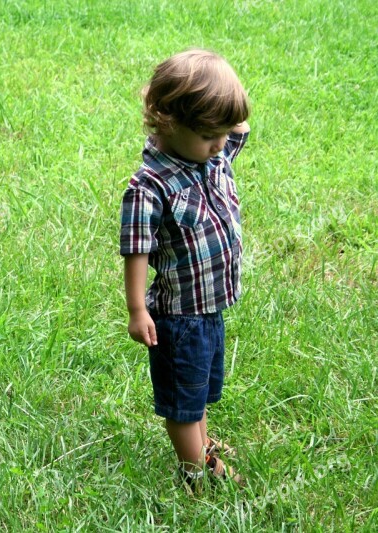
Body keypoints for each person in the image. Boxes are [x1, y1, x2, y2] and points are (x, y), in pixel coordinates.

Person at [119, 49, 251, 493]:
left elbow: (238, 126)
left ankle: (204, 446)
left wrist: (225, 102)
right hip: (179, 319)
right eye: (211, 135)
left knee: (200, 392)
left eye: (223, 133)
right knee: (182, 404)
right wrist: (138, 310)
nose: (221, 144)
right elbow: (135, 250)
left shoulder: (210, 154)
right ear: (170, 123)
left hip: (211, 307)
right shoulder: (150, 186)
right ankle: (195, 472)